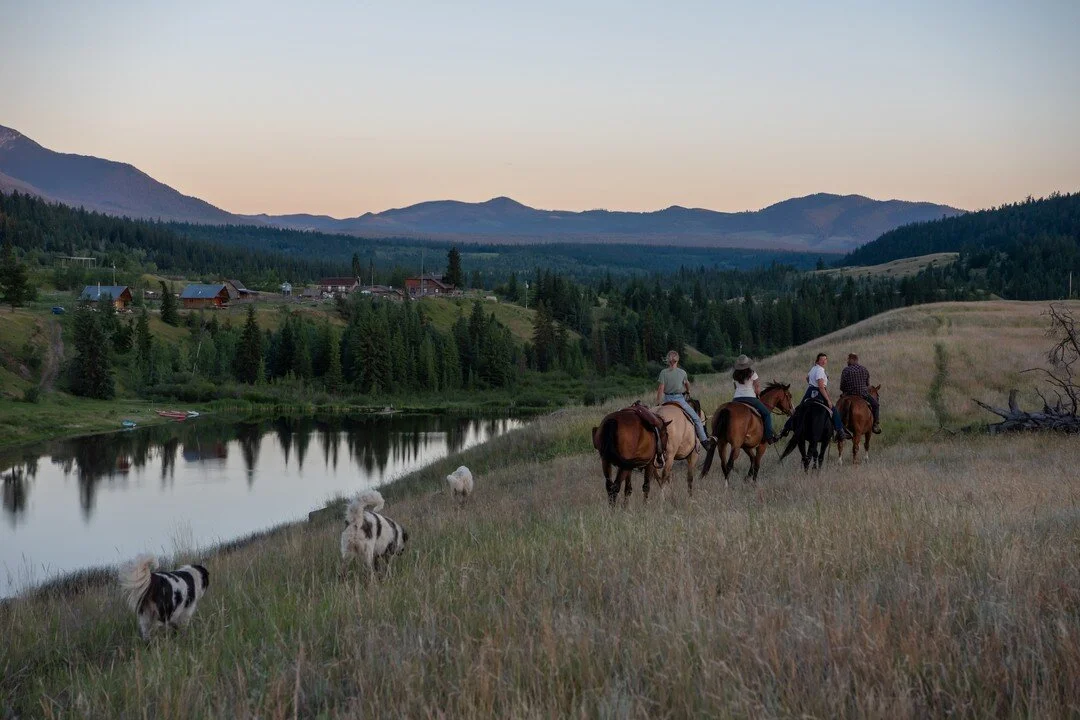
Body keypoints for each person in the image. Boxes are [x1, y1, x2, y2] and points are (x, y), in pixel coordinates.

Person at [779, 352, 852, 440]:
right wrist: (828, 400)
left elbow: (807, 378)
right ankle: (840, 431)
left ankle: (785, 428)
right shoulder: (820, 370)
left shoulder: (813, 368)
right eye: (822, 359)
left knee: (798, 410)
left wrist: (812, 383)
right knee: (833, 410)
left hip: (809, 391)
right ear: (818, 361)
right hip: (819, 391)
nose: (824, 361)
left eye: (825, 359)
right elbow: (821, 387)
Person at [656, 350, 714, 450]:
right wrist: (688, 391)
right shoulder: (682, 372)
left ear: (668, 360)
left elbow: (661, 388)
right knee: (696, 419)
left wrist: (658, 403)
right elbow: (687, 384)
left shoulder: (663, 372)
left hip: (667, 400)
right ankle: (704, 441)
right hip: (679, 399)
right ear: (677, 360)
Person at [730, 355, 779, 444]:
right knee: (766, 414)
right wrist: (758, 394)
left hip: (736, 399)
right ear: (747, 364)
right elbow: (757, 389)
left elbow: (735, 388)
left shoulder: (734, 375)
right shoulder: (752, 373)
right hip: (750, 398)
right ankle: (769, 437)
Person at [840, 353, 881, 433]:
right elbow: (868, 385)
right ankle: (875, 424)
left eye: (848, 359)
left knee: (838, 408)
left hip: (849, 395)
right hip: (863, 395)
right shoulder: (864, 369)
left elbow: (842, 386)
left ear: (853, 359)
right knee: (876, 405)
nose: (847, 361)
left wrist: (845, 391)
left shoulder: (846, 370)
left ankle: (838, 429)